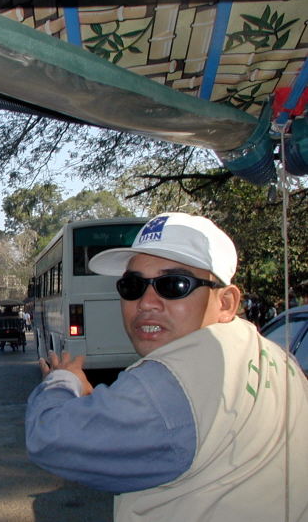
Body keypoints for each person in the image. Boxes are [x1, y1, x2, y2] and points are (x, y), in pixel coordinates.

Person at [25, 212, 308, 522]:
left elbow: (49, 436)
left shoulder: (172, 381)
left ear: (226, 302)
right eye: (132, 286)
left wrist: (62, 381)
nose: (146, 302)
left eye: (174, 285)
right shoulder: (273, 354)